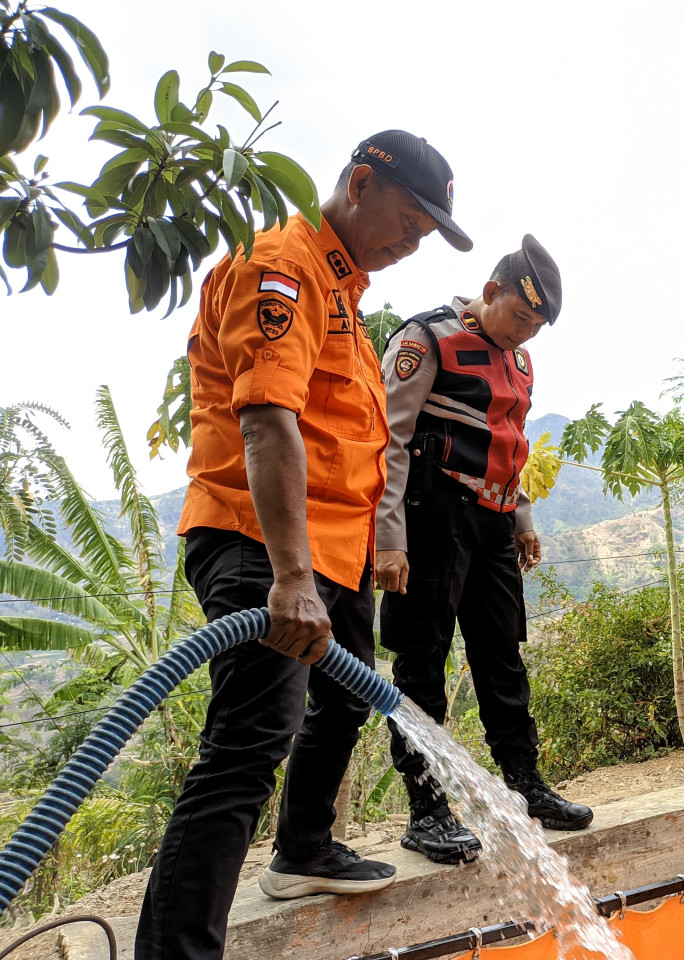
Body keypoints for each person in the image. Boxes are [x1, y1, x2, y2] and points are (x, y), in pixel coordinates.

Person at [134, 130, 472, 960]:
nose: (411, 245)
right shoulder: (281, 265)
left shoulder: (342, 291)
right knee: (247, 746)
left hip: (331, 552)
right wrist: (289, 577)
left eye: (425, 236)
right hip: (261, 542)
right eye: (409, 223)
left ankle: (303, 850)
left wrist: (357, 557)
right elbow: (267, 422)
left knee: (347, 697)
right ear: (360, 184)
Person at [375, 234, 593, 865]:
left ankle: (525, 786)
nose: (526, 333)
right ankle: (427, 808)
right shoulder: (426, 339)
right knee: (422, 662)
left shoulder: (520, 362)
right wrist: (389, 540)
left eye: (537, 326)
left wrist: (522, 517)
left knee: (502, 656)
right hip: (431, 517)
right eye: (520, 317)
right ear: (490, 291)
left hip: (494, 525)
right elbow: (388, 440)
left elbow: (511, 443)